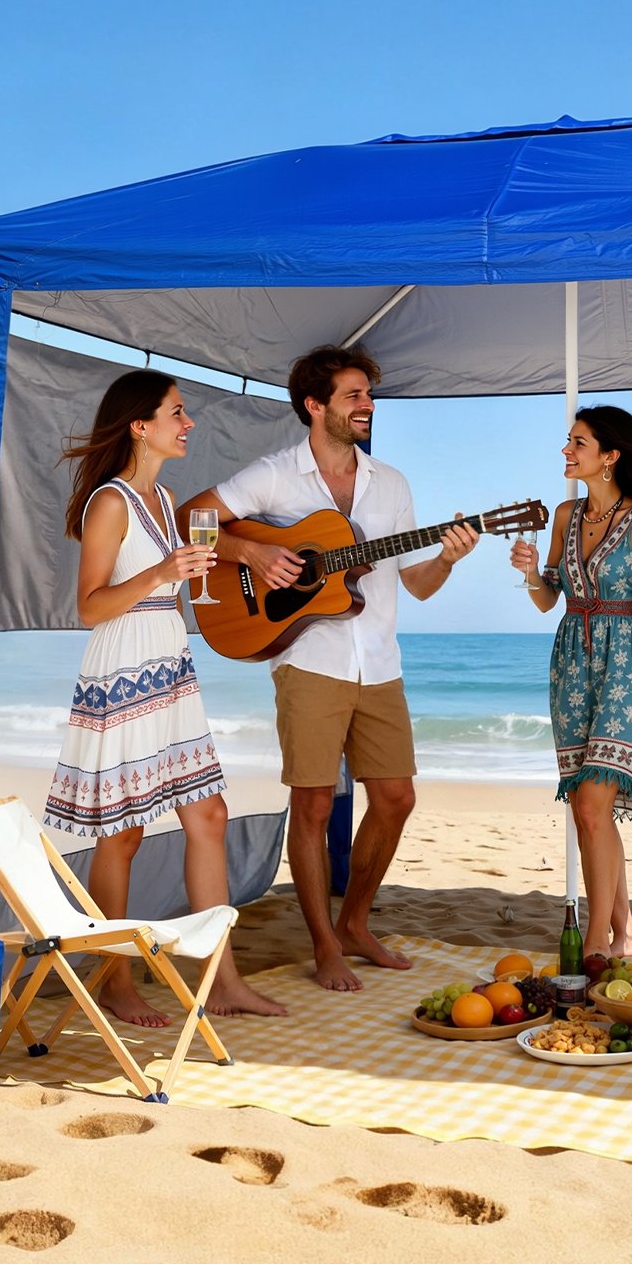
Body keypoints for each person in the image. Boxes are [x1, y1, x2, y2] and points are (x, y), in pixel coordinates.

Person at [181, 346, 479, 991]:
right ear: (315, 407)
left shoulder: (391, 484)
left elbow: (418, 584)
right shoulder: (276, 475)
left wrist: (450, 557)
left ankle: (355, 922)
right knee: (313, 804)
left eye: (368, 394)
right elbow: (193, 518)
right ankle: (324, 943)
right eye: (353, 395)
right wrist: (253, 557)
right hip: (308, 660)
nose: (367, 404)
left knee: (396, 797)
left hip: (379, 663)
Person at [45, 368, 286, 1022]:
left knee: (207, 817)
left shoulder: (164, 500)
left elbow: (171, 588)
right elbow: (90, 607)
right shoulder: (111, 503)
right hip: (122, 669)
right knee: (120, 838)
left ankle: (222, 980)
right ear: (139, 425)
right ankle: (115, 980)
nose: (189, 423)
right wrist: (161, 571)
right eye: (177, 412)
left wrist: (191, 576)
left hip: (169, 667)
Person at [511, 406, 632, 962]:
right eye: (569, 442)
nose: (567, 451)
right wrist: (528, 576)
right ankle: (627, 934)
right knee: (588, 812)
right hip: (570, 663)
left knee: (594, 805)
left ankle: (594, 945)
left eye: (578, 443)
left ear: (610, 456)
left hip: (626, 667)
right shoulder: (565, 515)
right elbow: (549, 600)